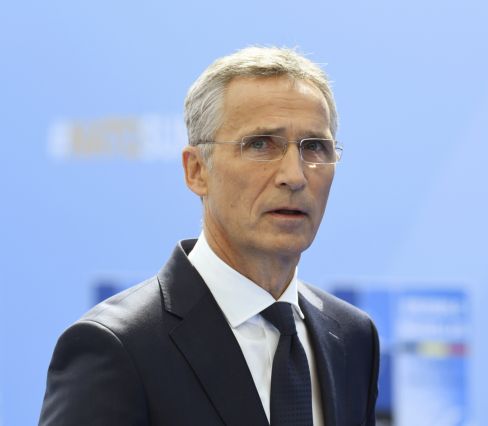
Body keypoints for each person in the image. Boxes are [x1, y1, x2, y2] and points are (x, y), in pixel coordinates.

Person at [39, 46, 379, 426]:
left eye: (314, 147)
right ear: (197, 170)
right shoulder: (118, 346)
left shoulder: (352, 338)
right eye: (261, 144)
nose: (294, 176)